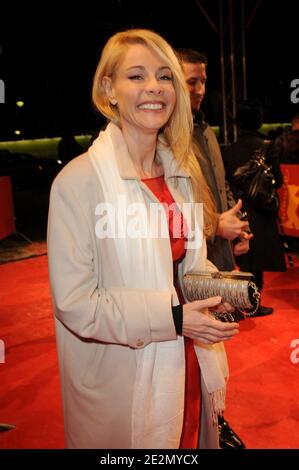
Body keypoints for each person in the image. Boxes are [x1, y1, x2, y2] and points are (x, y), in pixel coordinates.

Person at [47, 28, 239, 450]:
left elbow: (189, 267)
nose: (154, 87)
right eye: (135, 76)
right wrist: (173, 318)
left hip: (188, 363)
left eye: (164, 76)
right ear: (108, 89)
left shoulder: (180, 175)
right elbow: (76, 303)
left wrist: (218, 290)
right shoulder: (77, 183)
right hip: (126, 380)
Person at [177, 47, 248, 448]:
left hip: (214, 262)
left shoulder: (206, 132)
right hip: (185, 272)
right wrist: (212, 225)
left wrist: (232, 233)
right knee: (193, 366)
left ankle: (212, 427)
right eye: (192, 80)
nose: (200, 88)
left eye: (203, 80)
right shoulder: (167, 138)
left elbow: (216, 195)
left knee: (214, 361)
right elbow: (166, 208)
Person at [223, 99, 286, 315]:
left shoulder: (229, 150)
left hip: (238, 210)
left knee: (245, 259)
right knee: (257, 259)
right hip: (261, 209)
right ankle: (252, 303)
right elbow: (277, 179)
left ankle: (244, 302)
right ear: (259, 122)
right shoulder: (268, 147)